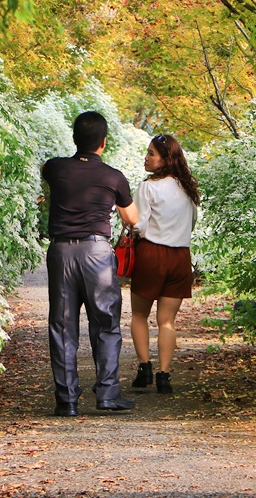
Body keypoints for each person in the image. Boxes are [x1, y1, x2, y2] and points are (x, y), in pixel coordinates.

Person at [41, 111, 139, 417]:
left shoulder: (56, 167)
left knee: (62, 325)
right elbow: (131, 218)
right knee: (106, 323)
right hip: (97, 253)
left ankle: (67, 400)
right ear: (104, 142)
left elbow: (45, 171)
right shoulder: (114, 177)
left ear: (74, 139)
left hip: (61, 252)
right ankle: (108, 393)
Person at [128, 133, 200, 394]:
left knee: (139, 315)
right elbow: (191, 224)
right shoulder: (187, 189)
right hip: (180, 257)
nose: (146, 158)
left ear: (165, 159)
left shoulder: (148, 187)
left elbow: (139, 224)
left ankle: (144, 368)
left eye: (151, 154)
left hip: (152, 254)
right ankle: (164, 376)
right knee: (167, 321)